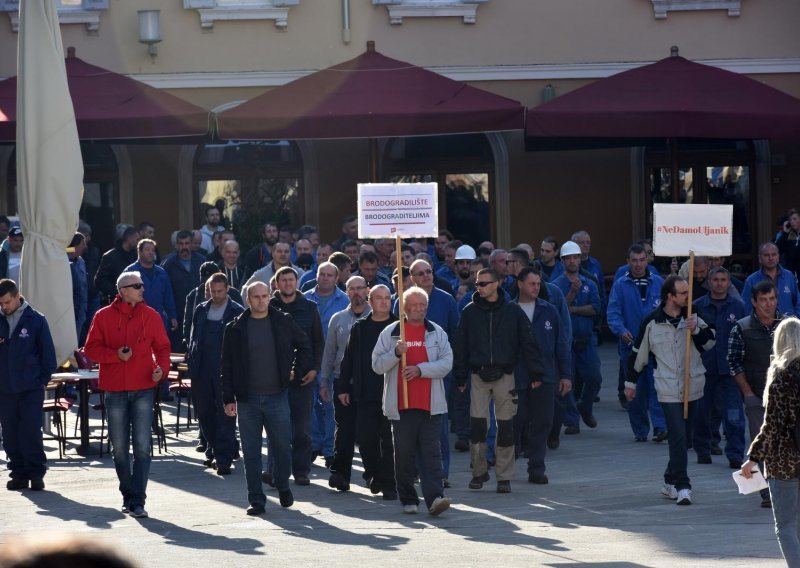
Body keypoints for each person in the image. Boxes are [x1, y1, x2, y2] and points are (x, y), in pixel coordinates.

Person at [221, 281, 312, 516]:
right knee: (251, 453)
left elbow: (304, 346)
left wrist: (295, 371)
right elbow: (227, 366)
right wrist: (228, 398)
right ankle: (256, 499)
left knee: (282, 447)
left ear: (269, 297)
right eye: (256, 297)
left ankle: (282, 485)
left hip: (277, 396)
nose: (261, 300)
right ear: (247, 300)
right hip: (247, 399)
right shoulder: (235, 328)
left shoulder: (282, 321)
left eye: (264, 296)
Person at [84, 271, 171, 518]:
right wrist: (115, 356)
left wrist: (161, 370)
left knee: (142, 446)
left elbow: (163, 348)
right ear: (122, 291)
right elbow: (90, 349)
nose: (142, 288)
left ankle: (138, 499)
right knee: (120, 448)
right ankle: (128, 495)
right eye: (137, 285)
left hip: (144, 388)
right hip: (114, 390)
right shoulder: (103, 316)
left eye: (142, 285)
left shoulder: (151, 316)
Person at [626, 275, 716, 506]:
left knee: (684, 438)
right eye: (683, 293)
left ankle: (669, 479)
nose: (688, 297)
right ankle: (683, 485)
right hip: (667, 387)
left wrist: (696, 330)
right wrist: (631, 383)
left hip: (692, 385)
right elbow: (639, 354)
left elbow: (710, 344)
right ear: (670, 296)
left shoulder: (694, 315)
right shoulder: (652, 322)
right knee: (676, 434)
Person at [453, 268, 544, 494]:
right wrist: (460, 376)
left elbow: (528, 342)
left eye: (484, 283)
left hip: (505, 374)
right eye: (477, 284)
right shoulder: (469, 312)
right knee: (477, 427)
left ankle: (504, 476)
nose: (479, 287)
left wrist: (535, 374)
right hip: (477, 375)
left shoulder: (513, 311)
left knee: (505, 428)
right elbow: (461, 346)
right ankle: (479, 471)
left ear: (497, 284)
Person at [372, 287, 453, 515]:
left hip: (430, 405)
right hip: (401, 405)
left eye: (422, 305)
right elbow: (377, 365)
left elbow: (447, 363)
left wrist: (420, 370)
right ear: (404, 308)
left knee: (431, 453)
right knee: (404, 454)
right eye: (414, 305)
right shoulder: (391, 333)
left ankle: (435, 497)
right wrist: (396, 354)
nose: (419, 309)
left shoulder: (436, 332)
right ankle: (408, 497)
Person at [741, 317, 800, 567]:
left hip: (784, 460)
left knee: (785, 525)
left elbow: (772, 425)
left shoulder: (781, 377)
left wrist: (753, 458)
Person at [329, 284, 397, 499]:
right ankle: (373, 472)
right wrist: (343, 388)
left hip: (392, 392)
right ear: (370, 300)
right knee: (366, 439)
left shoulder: (399, 326)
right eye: (379, 298)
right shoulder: (360, 327)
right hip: (365, 392)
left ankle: (389, 482)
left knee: (389, 440)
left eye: (387, 297)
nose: (384, 301)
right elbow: (347, 359)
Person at [262, 266, 323, 486]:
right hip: (273, 378)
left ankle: (301, 471)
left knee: (302, 429)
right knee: (275, 428)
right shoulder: (268, 306)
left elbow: (318, 342)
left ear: (296, 283)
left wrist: (315, 369)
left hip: (303, 378)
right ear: (276, 284)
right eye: (283, 280)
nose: (288, 284)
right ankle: (274, 470)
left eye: (291, 280)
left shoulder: (309, 307)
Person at [728, 279, 786, 508]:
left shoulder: (789, 326)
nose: (768, 304)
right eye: (763, 300)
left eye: (772, 299)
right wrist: (748, 393)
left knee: (785, 443)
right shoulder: (741, 328)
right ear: (753, 302)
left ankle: (784, 487)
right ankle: (766, 492)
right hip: (756, 395)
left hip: (786, 398)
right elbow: (734, 362)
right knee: (759, 442)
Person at [513, 267, 571, 484]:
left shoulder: (549, 311)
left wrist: (566, 375)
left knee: (543, 422)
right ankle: (509, 463)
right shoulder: (510, 310)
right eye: (531, 283)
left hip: (546, 376)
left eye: (538, 284)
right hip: (518, 376)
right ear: (520, 284)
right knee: (516, 420)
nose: (536, 288)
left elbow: (561, 345)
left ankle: (536, 468)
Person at [0, 279, 56, 491]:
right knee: (10, 432)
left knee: (30, 430)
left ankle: (36, 473)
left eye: (7, 302)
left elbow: (48, 356)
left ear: (17, 297)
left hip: (30, 387)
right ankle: (18, 473)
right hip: (5, 388)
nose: (4, 307)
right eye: (1, 304)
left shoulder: (36, 319)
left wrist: (41, 381)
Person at [607, 244, 667, 438]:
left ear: (647, 260)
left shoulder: (659, 283)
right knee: (635, 390)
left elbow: (670, 310)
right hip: (630, 345)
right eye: (634, 260)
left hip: (656, 346)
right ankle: (640, 430)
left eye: (642, 260)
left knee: (657, 387)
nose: (638, 264)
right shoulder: (620, 285)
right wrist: (620, 330)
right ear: (628, 262)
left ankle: (660, 427)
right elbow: (613, 312)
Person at [187, 273, 244, 475]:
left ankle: (223, 459)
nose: (217, 295)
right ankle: (215, 449)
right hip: (201, 369)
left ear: (227, 289)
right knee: (204, 413)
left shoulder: (236, 311)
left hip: (225, 370)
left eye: (220, 291)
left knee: (226, 414)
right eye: (213, 291)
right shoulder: (201, 310)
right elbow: (192, 337)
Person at [692, 267, 747, 468]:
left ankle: (735, 454)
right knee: (702, 413)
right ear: (708, 282)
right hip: (704, 367)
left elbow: (745, 336)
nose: (719, 283)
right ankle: (703, 450)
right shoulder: (698, 306)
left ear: (729, 282)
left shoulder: (738, 306)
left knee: (733, 415)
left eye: (723, 279)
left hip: (730, 369)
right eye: (715, 279)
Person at [323, 276, 372, 481]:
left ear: (367, 290)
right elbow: (330, 352)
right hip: (342, 381)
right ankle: (340, 473)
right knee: (344, 429)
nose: (356, 292)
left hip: (371, 382)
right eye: (352, 289)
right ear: (347, 291)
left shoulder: (378, 317)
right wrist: (324, 380)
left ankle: (373, 473)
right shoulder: (338, 319)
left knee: (370, 430)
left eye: (360, 288)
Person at [552, 240, 602, 433]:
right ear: (562, 261)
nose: (572, 261)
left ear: (580, 259)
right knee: (567, 380)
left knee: (594, 378)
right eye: (568, 258)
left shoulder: (589, 283)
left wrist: (572, 309)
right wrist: (572, 294)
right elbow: (557, 310)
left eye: (575, 257)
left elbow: (595, 309)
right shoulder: (555, 285)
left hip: (587, 339)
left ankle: (586, 406)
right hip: (566, 341)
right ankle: (572, 421)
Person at [161, 230, 206, 351]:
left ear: (192, 244)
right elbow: (164, 291)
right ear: (176, 245)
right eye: (181, 244)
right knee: (178, 349)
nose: (184, 247)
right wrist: (171, 315)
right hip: (178, 314)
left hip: (199, 312)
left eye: (187, 243)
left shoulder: (202, 262)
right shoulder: (168, 264)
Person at [125, 239, 177, 335]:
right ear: (139, 252)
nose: (151, 252)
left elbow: (168, 296)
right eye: (147, 249)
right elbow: (124, 296)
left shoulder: (161, 272)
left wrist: (172, 316)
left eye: (153, 250)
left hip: (158, 318)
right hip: (137, 319)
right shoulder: (130, 271)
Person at [741, 242, 800, 317]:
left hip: (788, 326)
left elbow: (798, 303)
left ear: (778, 257)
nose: (770, 258)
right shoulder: (751, 280)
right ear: (760, 258)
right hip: (762, 326)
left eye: (774, 254)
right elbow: (746, 308)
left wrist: (795, 321)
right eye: (766, 255)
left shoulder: (789, 276)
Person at [94, 226, 138, 305]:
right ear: (129, 238)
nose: (138, 242)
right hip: (115, 302)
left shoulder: (136, 256)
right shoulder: (110, 257)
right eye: (136, 239)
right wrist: (118, 291)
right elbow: (100, 280)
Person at [775, 207, 800, 278]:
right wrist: (785, 233)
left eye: (794, 219)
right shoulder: (787, 236)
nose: (792, 222)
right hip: (790, 274)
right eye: (790, 220)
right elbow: (777, 250)